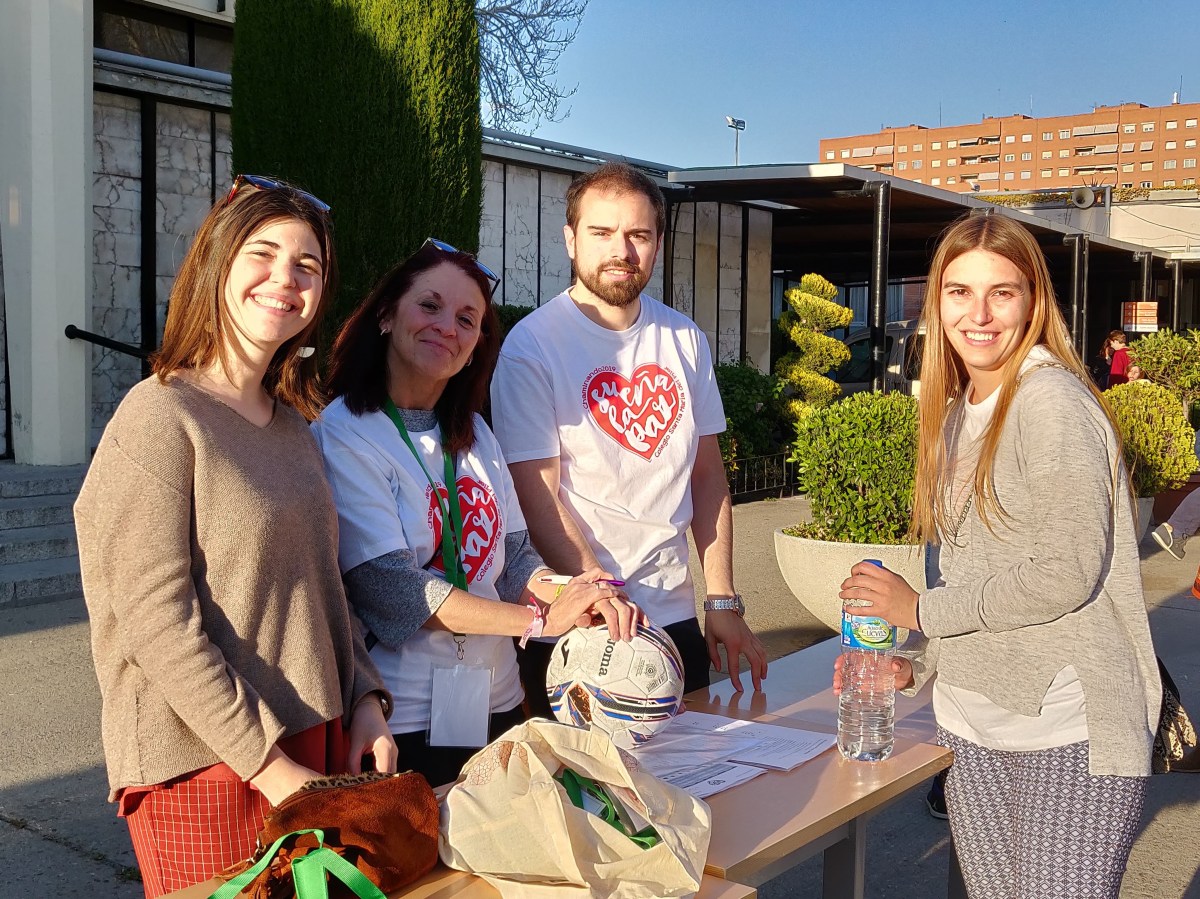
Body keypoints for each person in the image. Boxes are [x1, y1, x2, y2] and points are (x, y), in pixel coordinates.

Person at [74, 176, 397, 898]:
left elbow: (322, 585)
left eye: (307, 265)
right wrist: (270, 768)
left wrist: (367, 699)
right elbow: (155, 622)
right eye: (264, 253)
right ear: (217, 262)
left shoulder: (294, 428)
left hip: (312, 742)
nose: (285, 278)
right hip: (207, 763)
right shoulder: (159, 417)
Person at [834, 214, 1160, 899]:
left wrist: (919, 610)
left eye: (1001, 293)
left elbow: (1066, 571)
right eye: (959, 292)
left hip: (1067, 728)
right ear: (937, 302)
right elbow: (974, 573)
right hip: (972, 725)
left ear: (1033, 302)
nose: (978, 314)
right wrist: (916, 663)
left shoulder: (1051, 402)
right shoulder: (958, 409)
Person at [312, 239, 641, 789]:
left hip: (499, 703)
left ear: (474, 348)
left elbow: (514, 558)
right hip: (403, 718)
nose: (447, 327)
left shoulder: (475, 433)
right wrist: (538, 622)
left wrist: (576, 593)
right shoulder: (345, 431)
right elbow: (390, 586)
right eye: (430, 305)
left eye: (467, 319)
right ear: (387, 315)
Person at [490, 162, 768, 712]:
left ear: (658, 244)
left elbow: (707, 477)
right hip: (580, 622)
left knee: (691, 765)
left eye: (638, 234)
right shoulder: (532, 347)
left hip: (672, 617)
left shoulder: (684, 338)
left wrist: (722, 599)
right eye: (601, 232)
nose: (621, 250)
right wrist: (599, 593)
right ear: (571, 239)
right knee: (584, 772)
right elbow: (537, 494)